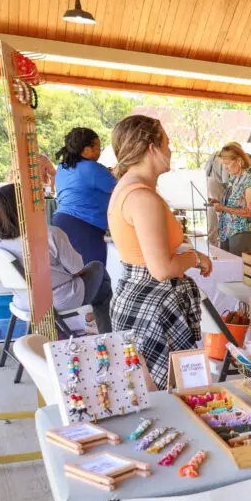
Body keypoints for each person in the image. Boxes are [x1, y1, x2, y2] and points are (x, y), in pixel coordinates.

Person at [107, 115, 212, 390]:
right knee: (167, 401)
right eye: (167, 142)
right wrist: (196, 258)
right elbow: (162, 269)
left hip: (140, 298)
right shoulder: (142, 197)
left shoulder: (127, 189)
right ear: (152, 148)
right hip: (152, 305)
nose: (171, 149)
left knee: (158, 400)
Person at [0, 184, 113, 334]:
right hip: (56, 301)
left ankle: (91, 324)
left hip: (23, 301)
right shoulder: (50, 234)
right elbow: (78, 269)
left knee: (100, 282)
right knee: (100, 273)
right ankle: (103, 331)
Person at [53, 127, 117, 266]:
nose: (99, 152)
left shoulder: (62, 167)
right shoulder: (93, 168)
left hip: (60, 222)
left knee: (73, 272)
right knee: (93, 273)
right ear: (86, 149)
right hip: (83, 225)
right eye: (98, 147)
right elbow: (119, 189)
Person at [211, 144, 251, 255]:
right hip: (227, 230)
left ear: (238, 160)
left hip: (241, 232)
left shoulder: (250, 181)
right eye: (223, 164)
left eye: (227, 163)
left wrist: (224, 208)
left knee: (236, 268)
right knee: (227, 267)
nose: (225, 167)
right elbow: (235, 204)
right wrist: (219, 204)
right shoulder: (234, 179)